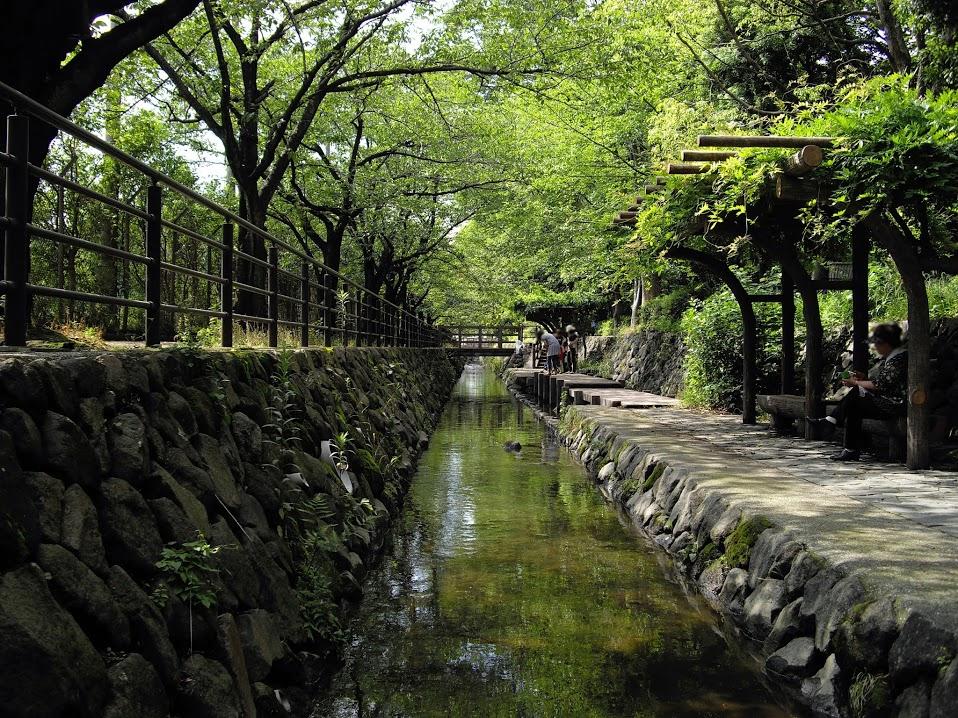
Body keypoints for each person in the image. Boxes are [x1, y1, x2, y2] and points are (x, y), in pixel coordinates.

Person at [808, 323, 908, 461]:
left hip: (894, 405)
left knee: (855, 395)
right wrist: (864, 380)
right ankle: (849, 447)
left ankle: (832, 424)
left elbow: (880, 385)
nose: (876, 348)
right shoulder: (894, 358)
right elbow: (885, 384)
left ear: (887, 344)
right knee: (854, 406)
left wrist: (856, 382)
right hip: (888, 400)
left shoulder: (899, 359)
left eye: (878, 344)